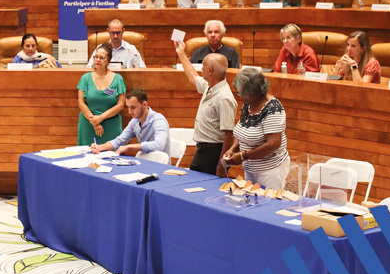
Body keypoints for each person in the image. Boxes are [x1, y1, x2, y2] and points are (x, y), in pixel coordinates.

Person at [222, 68, 290, 190]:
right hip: (251, 168)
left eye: (241, 93)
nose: (240, 96)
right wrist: (233, 149)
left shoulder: (273, 108)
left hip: (270, 171)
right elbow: (244, 131)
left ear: (251, 92)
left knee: (268, 205)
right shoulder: (249, 104)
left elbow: (273, 144)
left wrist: (243, 156)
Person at [175, 42, 237, 176]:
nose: (200, 69)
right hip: (202, 151)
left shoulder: (224, 97)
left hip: (214, 154)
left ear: (210, 70)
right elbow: (193, 77)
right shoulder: (209, 86)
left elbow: (228, 134)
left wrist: (222, 164)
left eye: (203, 66)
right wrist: (181, 53)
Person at [91, 88, 171, 157]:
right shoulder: (135, 121)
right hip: (146, 161)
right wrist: (100, 147)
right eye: (128, 107)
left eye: (133, 107)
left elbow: (159, 145)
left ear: (144, 104)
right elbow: (119, 141)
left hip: (160, 165)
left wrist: (129, 147)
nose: (129, 112)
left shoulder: (159, 120)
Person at [77, 43, 126, 145]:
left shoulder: (118, 79)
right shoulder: (85, 78)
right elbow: (81, 103)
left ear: (108, 60)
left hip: (111, 124)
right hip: (88, 123)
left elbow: (121, 105)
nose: (98, 60)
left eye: (101, 58)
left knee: (113, 157)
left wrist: (100, 118)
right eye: (96, 57)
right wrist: (94, 122)